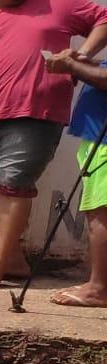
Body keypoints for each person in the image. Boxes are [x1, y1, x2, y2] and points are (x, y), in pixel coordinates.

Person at [0, 0, 107, 291]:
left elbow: (103, 18)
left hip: (33, 114)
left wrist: (79, 55)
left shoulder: (57, 6)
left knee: (13, 186)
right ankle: (13, 258)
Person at [41, 50, 107, 306]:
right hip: (97, 138)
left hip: (105, 141)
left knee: (101, 212)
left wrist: (71, 66)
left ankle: (99, 289)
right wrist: (87, 64)